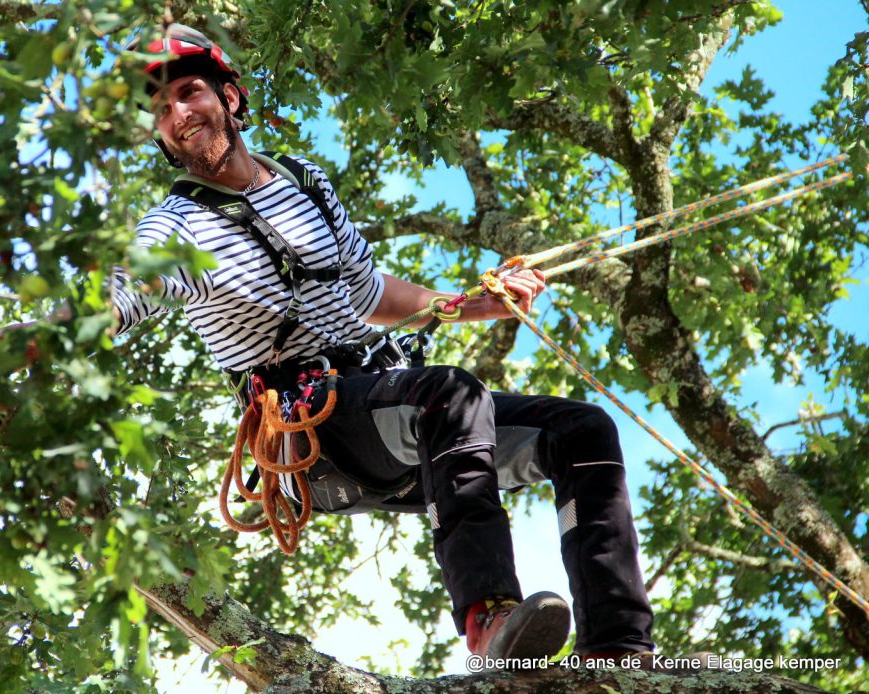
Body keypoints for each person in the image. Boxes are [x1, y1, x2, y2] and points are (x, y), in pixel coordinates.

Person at [112, 24, 655, 667]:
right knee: (451, 395)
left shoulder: (303, 182)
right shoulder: (174, 227)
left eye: (190, 92)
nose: (178, 115)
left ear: (230, 97)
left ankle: (619, 649)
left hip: (389, 405)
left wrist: (471, 304)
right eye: (160, 109)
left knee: (582, 429)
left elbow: (370, 294)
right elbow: (120, 295)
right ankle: (488, 618)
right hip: (312, 432)